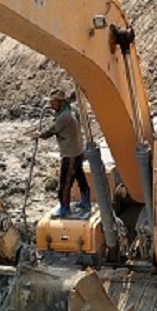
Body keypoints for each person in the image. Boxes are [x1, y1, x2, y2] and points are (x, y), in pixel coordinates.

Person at [31, 89, 90, 217]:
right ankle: (85, 201)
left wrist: (38, 134)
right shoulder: (72, 109)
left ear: (61, 102)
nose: (51, 105)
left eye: (53, 102)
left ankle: (64, 208)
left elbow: (51, 131)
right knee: (80, 176)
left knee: (65, 183)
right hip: (78, 149)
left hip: (70, 154)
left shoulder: (64, 117)